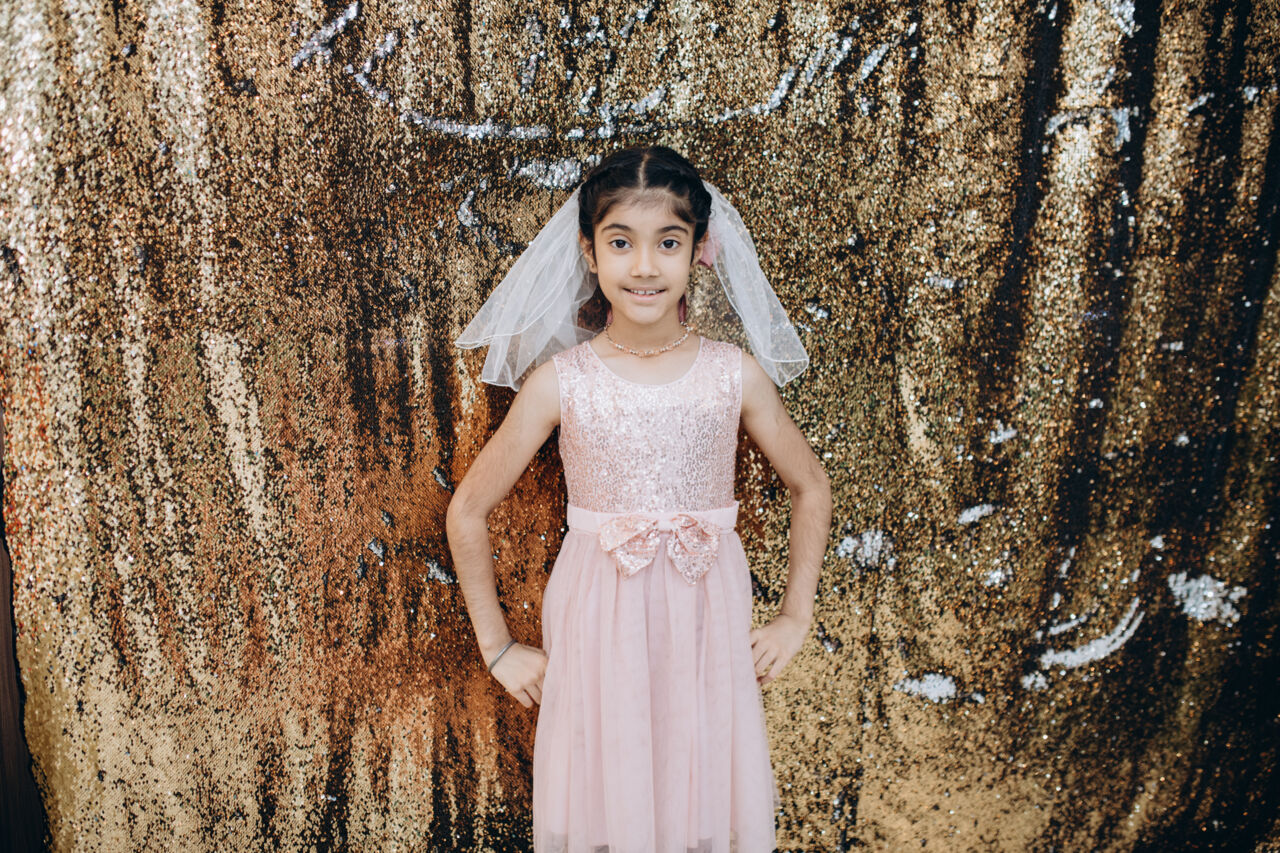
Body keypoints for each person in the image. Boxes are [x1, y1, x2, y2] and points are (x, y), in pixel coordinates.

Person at [446, 145, 832, 852]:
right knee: (611, 786)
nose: (645, 266)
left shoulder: (734, 375)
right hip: (600, 618)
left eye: (668, 242)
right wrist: (497, 647)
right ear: (589, 252)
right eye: (621, 242)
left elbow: (811, 485)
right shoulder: (561, 382)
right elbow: (467, 510)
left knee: (697, 787)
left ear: (700, 249)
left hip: (706, 616)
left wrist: (794, 616)